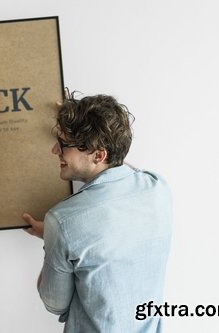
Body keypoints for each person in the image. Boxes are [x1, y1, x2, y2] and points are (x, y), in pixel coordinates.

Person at [23, 93, 172, 333]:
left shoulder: (62, 221)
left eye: (63, 144)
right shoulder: (158, 187)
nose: (54, 150)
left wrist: (54, 238)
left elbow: (54, 303)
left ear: (98, 155)